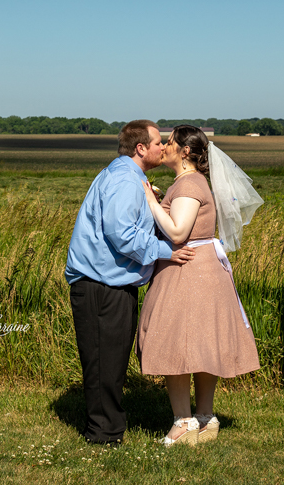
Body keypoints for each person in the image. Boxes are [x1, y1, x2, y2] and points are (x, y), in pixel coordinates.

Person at [65, 119, 196, 444]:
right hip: (100, 284)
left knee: (110, 359)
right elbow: (121, 234)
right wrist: (166, 251)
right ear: (141, 148)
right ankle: (104, 434)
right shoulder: (125, 180)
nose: (163, 148)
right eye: (157, 143)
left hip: (108, 281)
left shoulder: (128, 176)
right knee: (103, 361)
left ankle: (107, 428)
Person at [136, 125, 263, 446]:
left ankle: (184, 422)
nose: (163, 147)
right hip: (203, 270)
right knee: (203, 344)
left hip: (189, 271)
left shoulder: (190, 183)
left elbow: (178, 233)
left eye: (169, 142)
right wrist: (163, 198)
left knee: (175, 341)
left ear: (185, 152)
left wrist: (151, 200)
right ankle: (205, 419)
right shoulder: (189, 182)